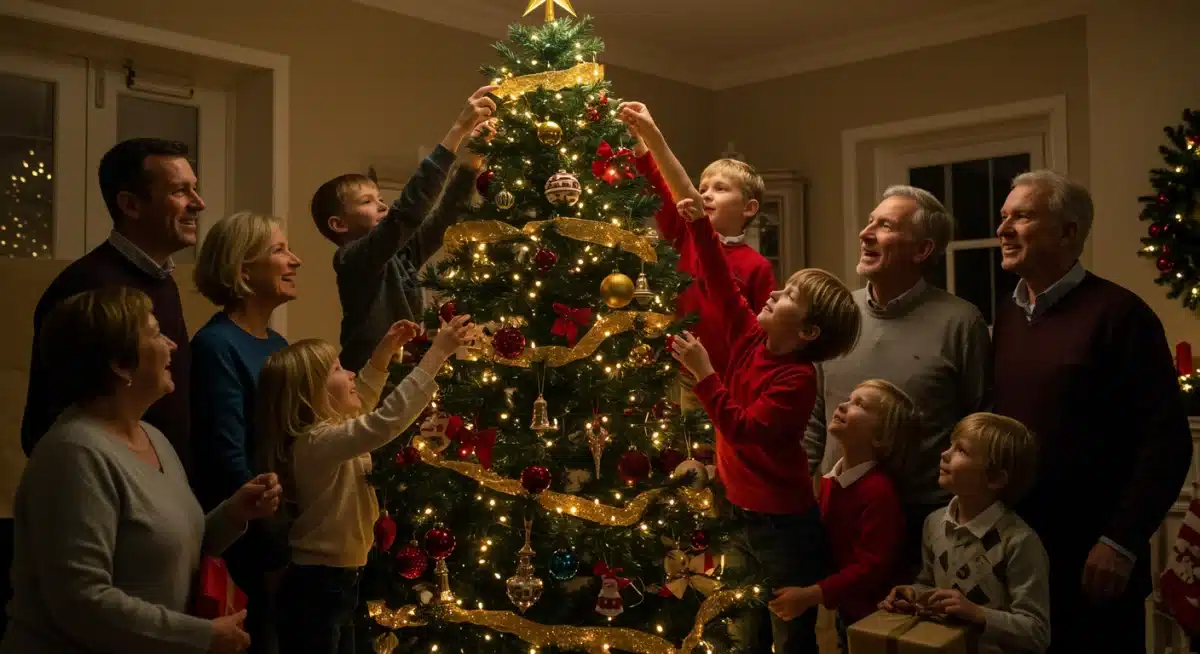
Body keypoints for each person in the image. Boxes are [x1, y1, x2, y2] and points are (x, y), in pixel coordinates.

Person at [620, 99, 862, 654]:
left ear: (807, 334)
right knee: (743, 618)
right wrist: (652, 136)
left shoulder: (795, 381)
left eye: (787, 298)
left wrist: (705, 376)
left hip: (782, 526)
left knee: (788, 630)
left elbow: (746, 429)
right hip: (740, 508)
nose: (772, 294)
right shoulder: (752, 335)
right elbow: (701, 233)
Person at [1, 287, 282, 654]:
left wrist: (233, 513)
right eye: (155, 334)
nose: (172, 346)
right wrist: (201, 635)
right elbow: (81, 603)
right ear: (120, 364)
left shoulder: (152, 436)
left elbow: (166, 551)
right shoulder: (74, 454)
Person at [991, 170, 1192, 652]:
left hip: (1093, 564)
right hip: (1019, 558)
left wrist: (1120, 541)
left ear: (1068, 232)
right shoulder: (1008, 316)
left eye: (1022, 216)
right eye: (1003, 216)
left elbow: (1166, 442)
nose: (1003, 228)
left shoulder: (1121, 315)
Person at [803, 185, 991, 573]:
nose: (865, 233)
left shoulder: (960, 321)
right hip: (834, 513)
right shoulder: (838, 314)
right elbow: (813, 416)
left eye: (885, 225)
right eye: (870, 221)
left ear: (922, 250)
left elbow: (978, 423)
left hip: (921, 523)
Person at [256, 315, 472, 654]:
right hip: (317, 588)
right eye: (338, 370)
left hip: (338, 581)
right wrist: (437, 355)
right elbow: (382, 423)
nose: (351, 374)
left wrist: (383, 354)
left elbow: (364, 402)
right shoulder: (317, 442)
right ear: (311, 393)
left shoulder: (330, 433)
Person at [21, 138, 203, 472]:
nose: (199, 203)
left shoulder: (161, 279)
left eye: (195, 189)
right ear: (131, 205)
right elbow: (52, 422)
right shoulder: (87, 287)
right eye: (180, 191)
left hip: (164, 493)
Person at [311, 85, 496, 373]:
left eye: (381, 199)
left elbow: (442, 220)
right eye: (367, 201)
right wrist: (458, 129)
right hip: (365, 382)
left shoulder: (401, 257)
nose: (382, 206)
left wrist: (471, 162)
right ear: (339, 224)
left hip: (404, 378)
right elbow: (407, 213)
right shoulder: (351, 260)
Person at [190, 211, 302, 653]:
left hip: (285, 536)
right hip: (251, 548)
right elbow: (227, 459)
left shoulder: (276, 346)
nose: (295, 261)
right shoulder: (217, 345)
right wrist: (275, 547)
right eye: (278, 250)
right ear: (242, 269)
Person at [627, 106, 775, 406]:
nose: (706, 194)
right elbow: (663, 186)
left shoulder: (757, 266)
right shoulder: (685, 234)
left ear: (749, 209)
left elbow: (765, 330)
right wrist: (640, 145)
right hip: (684, 373)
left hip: (734, 379)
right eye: (703, 187)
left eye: (720, 189)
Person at [880, 412, 1049, 654]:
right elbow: (929, 584)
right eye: (951, 445)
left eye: (961, 450)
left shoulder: (1019, 542)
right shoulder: (935, 524)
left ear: (994, 479)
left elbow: (1037, 632)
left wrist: (978, 613)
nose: (944, 454)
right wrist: (913, 595)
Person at [769, 379, 919, 649]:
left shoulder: (878, 492)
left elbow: (870, 567)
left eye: (860, 404)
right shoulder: (831, 481)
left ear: (880, 437)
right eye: (849, 398)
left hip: (877, 614)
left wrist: (810, 595)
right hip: (848, 609)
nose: (844, 405)